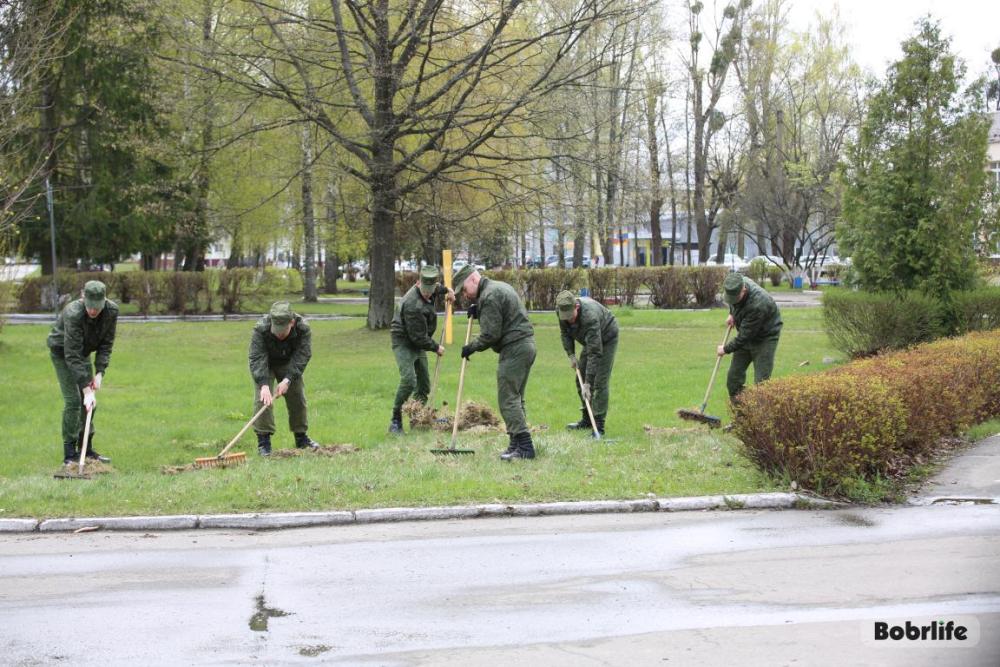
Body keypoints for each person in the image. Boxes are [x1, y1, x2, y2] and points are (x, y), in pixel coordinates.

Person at [453, 265, 536, 460]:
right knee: (515, 398)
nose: (465, 295)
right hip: (525, 345)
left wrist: (471, 347)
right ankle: (516, 443)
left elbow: (491, 334)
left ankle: (525, 447)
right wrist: (479, 310)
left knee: (508, 398)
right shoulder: (497, 287)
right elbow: (501, 315)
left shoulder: (489, 296)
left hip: (515, 348)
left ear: (473, 280)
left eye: (464, 289)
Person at [47, 280, 119, 466]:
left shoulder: (111, 311)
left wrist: (100, 373)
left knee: (90, 404)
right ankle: (70, 454)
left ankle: (86, 450)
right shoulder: (73, 313)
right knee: (74, 402)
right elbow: (71, 355)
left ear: (104, 301)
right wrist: (86, 389)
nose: (93, 311)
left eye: (97, 307)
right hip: (62, 353)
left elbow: (106, 344)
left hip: (82, 353)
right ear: (82, 298)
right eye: (90, 306)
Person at [388, 265, 454, 434]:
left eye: (430, 291)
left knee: (424, 384)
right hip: (404, 341)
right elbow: (417, 337)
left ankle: (417, 418)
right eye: (425, 291)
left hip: (419, 340)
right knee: (409, 380)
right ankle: (395, 420)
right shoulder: (413, 304)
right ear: (418, 283)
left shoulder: (431, 288)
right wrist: (436, 347)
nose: (427, 294)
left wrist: (448, 291)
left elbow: (438, 288)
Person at [249, 301, 318, 456]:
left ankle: (301, 438)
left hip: (289, 363)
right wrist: (264, 384)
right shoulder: (261, 328)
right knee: (263, 399)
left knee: (297, 396)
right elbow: (256, 357)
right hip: (265, 364)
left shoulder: (303, 328)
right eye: (276, 330)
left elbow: (303, 355)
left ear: (291, 323)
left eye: (283, 331)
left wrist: (288, 379)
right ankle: (264, 443)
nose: (278, 334)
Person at [556, 290, 619, 437]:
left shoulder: (589, 317)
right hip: (590, 340)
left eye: (571, 316)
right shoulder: (561, 310)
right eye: (565, 317)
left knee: (599, 382)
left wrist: (588, 383)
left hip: (607, 337)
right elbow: (565, 333)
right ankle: (587, 419)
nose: (569, 320)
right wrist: (571, 355)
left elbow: (594, 353)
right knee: (580, 379)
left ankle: (599, 426)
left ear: (576, 307)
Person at [717, 272, 783, 399]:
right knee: (733, 381)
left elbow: (743, 337)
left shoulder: (758, 304)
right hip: (747, 333)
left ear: (743, 290)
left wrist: (725, 349)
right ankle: (741, 411)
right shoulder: (736, 283)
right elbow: (733, 302)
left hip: (765, 338)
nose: (732, 301)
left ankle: (760, 410)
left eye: (735, 299)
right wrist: (732, 314)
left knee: (761, 384)